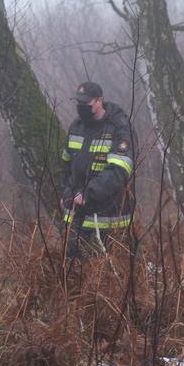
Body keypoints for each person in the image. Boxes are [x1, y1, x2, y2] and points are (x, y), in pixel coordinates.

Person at [60, 81, 135, 259]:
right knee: (73, 270)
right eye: (79, 103)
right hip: (76, 217)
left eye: (86, 103)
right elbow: (66, 165)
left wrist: (89, 192)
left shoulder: (119, 128)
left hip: (107, 218)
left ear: (99, 100)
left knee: (105, 272)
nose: (81, 107)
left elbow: (119, 170)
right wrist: (65, 192)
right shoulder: (76, 126)